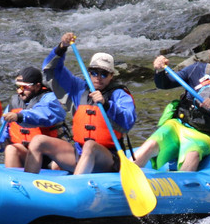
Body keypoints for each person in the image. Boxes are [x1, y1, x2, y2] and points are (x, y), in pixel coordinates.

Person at [24, 32, 136, 175]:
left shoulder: (119, 94)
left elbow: (128, 122)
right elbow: (50, 69)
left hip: (108, 159)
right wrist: (62, 47)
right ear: (89, 73)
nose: (98, 78)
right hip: (79, 154)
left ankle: (75, 187)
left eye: (104, 74)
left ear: (111, 76)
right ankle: (28, 187)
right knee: (38, 141)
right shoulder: (78, 89)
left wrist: (106, 104)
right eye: (94, 72)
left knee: (90, 146)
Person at [131, 37, 210, 172]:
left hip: (205, 134)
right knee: (150, 145)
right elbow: (165, 84)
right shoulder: (196, 69)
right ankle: (125, 176)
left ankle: (180, 186)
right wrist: (159, 71)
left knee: (192, 156)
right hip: (179, 124)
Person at [0, 66, 68, 169]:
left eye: (24, 87)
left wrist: (20, 116)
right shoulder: (14, 103)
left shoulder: (51, 99)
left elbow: (42, 115)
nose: (19, 91)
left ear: (37, 86)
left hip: (51, 156)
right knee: (11, 149)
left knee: (56, 165)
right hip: (28, 155)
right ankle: (14, 182)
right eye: (17, 86)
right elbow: (6, 130)